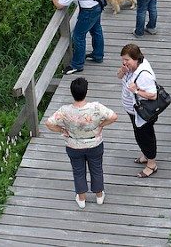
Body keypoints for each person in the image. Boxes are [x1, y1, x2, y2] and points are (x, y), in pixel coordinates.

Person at [45, 77, 118, 208]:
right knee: (96, 170)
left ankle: (82, 199)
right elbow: (113, 117)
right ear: (86, 91)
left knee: (78, 171)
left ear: (72, 93)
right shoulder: (96, 107)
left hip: (74, 146)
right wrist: (101, 125)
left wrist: (62, 129)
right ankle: (99, 196)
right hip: (94, 144)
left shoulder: (64, 110)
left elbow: (49, 123)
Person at [45, 0, 105, 74]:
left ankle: (77, 65)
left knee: (78, 36)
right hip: (98, 2)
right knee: (96, 30)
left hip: (89, 11)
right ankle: (98, 55)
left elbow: (59, 5)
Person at [117, 43, 160, 178]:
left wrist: (136, 91)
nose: (124, 62)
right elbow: (118, 76)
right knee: (139, 134)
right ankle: (147, 155)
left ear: (136, 59)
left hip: (142, 112)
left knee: (145, 136)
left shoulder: (143, 75)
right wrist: (123, 70)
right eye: (123, 59)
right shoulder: (129, 68)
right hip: (132, 111)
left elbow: (153, 95)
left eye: (127, 60)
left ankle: (152, 164)